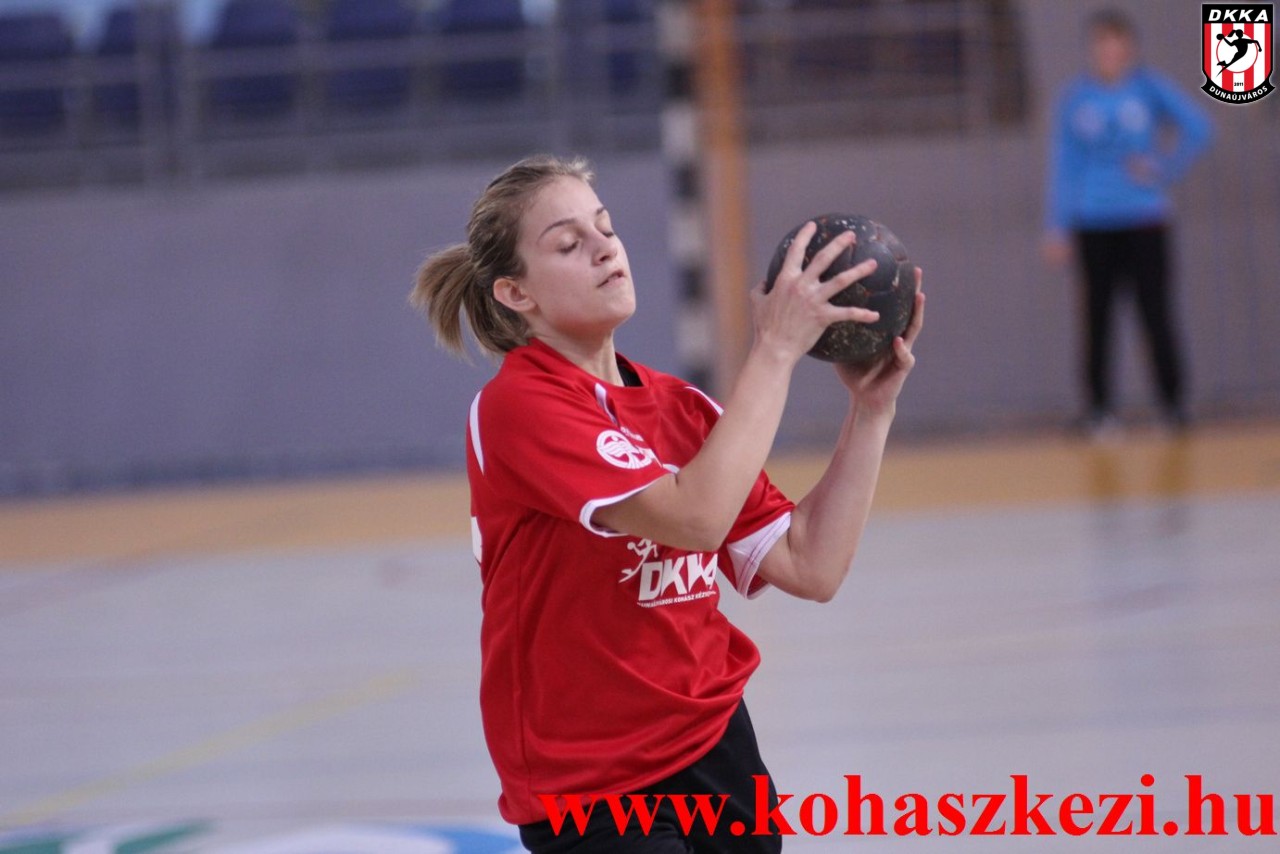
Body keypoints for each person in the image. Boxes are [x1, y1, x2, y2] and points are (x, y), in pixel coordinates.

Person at [411, 154, 924, 853]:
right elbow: (695, 519)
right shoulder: (521, 406)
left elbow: (811, 564)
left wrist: (870, 412)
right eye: (569, 243)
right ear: (515, 292)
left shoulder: (682, 408)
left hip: (715, 744)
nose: (604, 248)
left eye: (606, 227)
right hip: (591, 783)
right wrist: (775, 348)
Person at [1043, 9, 1212, 436]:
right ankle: (1099, 411)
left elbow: (1198, 127)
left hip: (1144, 219)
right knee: (1097, 318)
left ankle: (1173, 406)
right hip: (1093, 222)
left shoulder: (1149, 88)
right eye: (1101, 44)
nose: (1109, 52)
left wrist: (1163, 167)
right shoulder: (1076, 98)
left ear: (1129, 48)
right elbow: (1064, 164)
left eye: (1116, 44)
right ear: (1092, 49)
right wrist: (1057, 225)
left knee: (1155, 312)